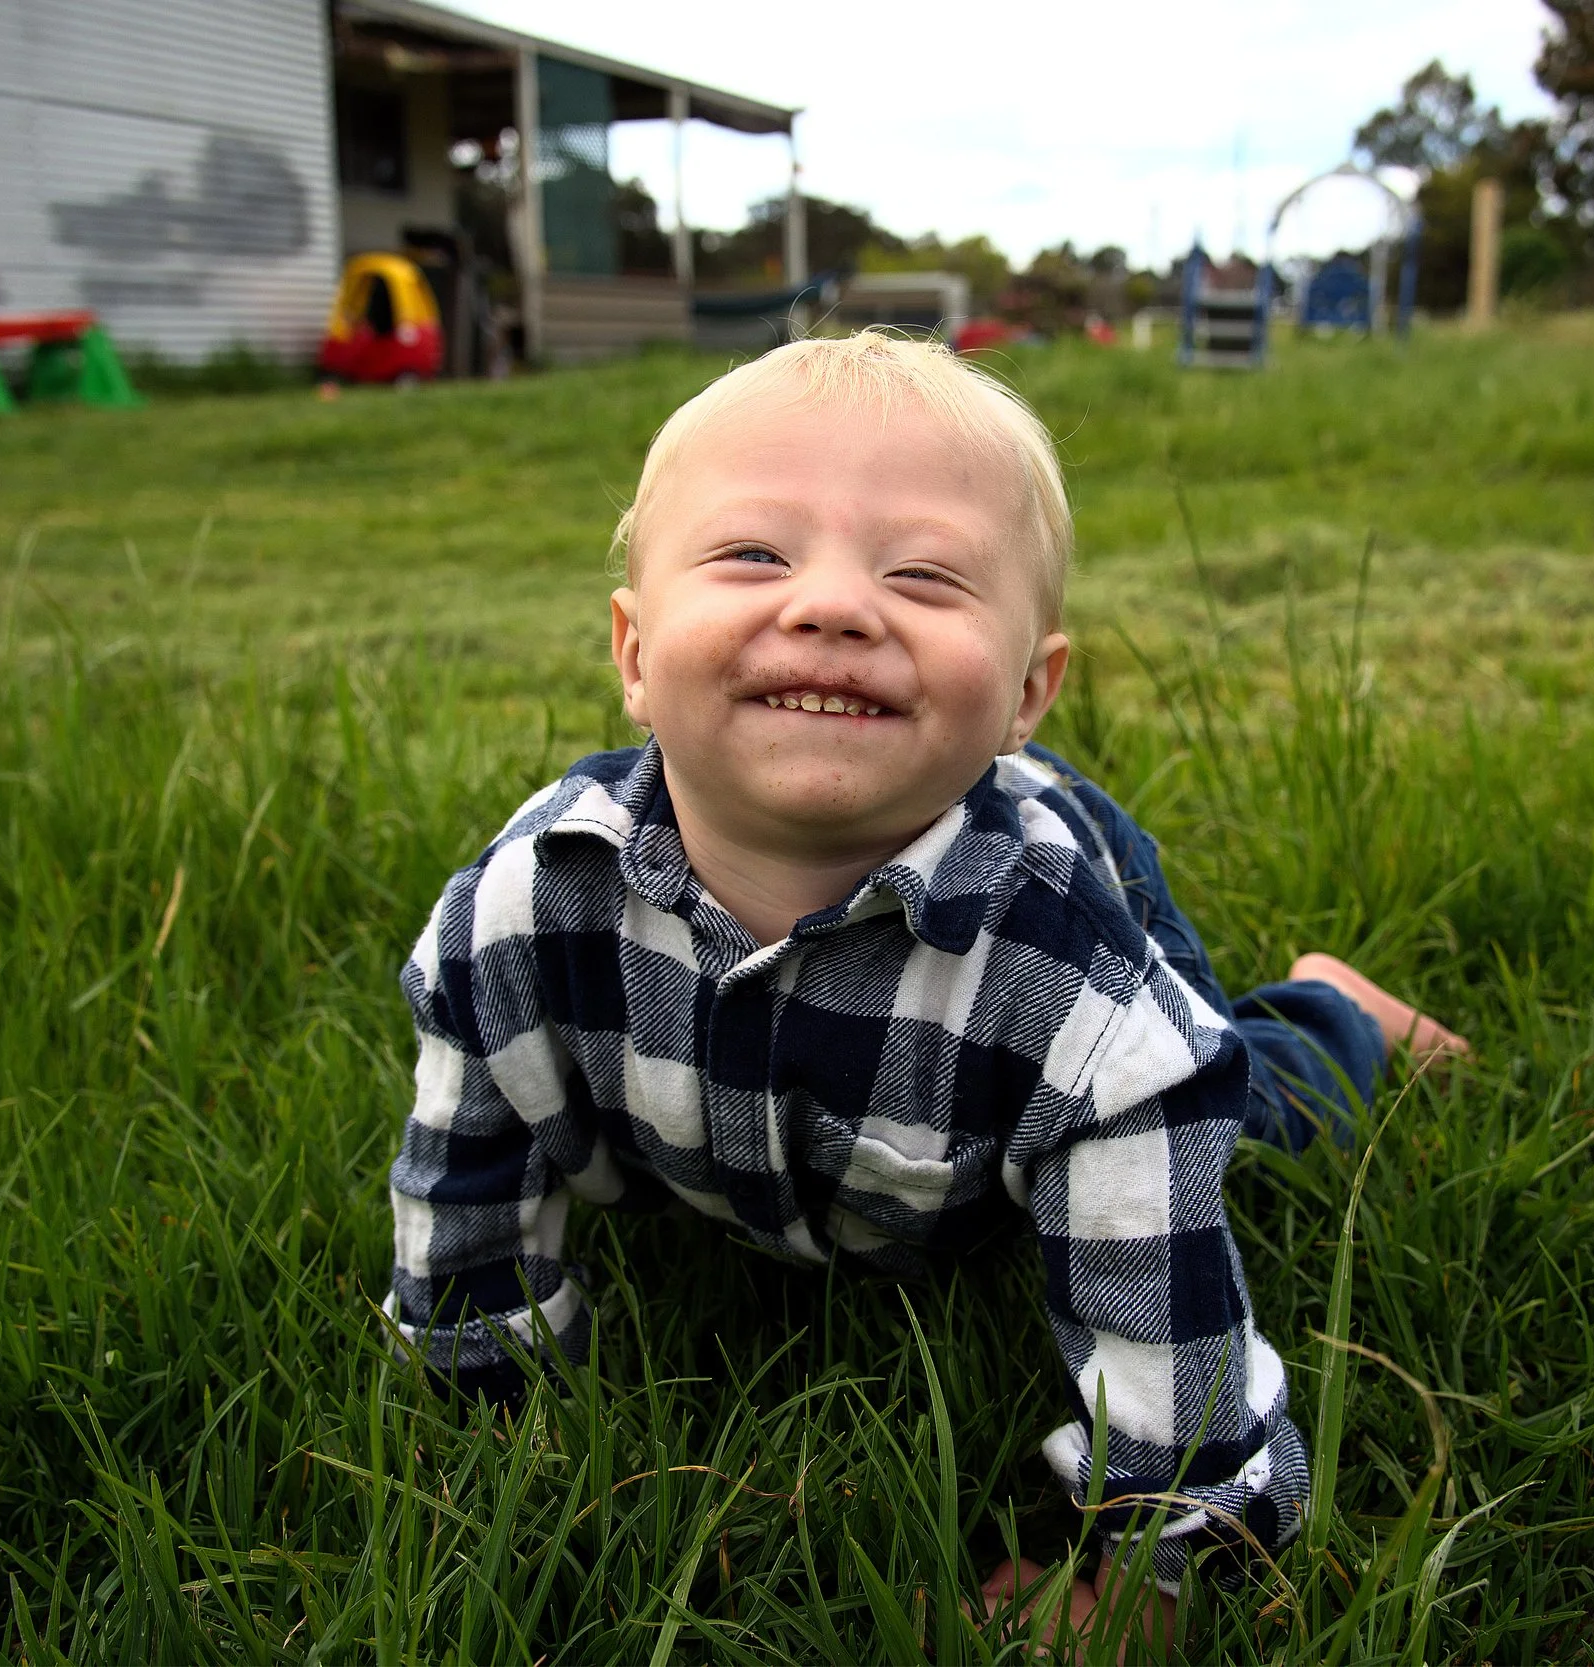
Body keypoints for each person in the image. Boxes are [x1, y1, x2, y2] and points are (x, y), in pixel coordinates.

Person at [384, 330, 1465, 1647]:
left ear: (1026, 690)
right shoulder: (524, 913)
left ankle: (1332, 1010)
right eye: (752, 555)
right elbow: (468, 1191)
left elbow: (1166, 1326)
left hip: (1072, 897)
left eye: (926, 574)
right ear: (631, 648)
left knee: (1244, 1114)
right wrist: (492, 1417)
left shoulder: (1071, 990)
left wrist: (1161, 1579)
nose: (836, 605)